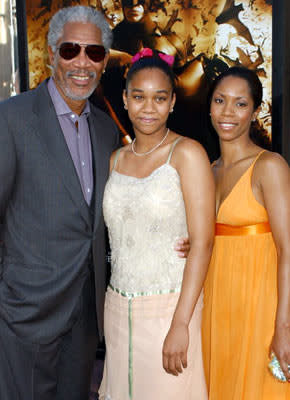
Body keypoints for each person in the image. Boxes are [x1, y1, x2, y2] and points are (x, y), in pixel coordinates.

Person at [0, 6, 120, 400]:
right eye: (71, 50)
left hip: (86, 315)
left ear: (104, 61)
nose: (82, 63)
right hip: (26, 311)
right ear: (52, 53)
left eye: (94, 52)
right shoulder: (12, 119)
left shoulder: (105, 129)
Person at [98, 48, 215, 400]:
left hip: (170, 311)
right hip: (118, 310)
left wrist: (180, 323)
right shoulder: (115, 159)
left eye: (159, 98)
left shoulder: (188, 153)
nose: (148, 108)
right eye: (139, 97)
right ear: (125, 99)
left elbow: (204, 242)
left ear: (172, 102)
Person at [202, 67, 290, 399]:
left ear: (254, 112)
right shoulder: (207, 171)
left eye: (240, 104)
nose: (227, 112)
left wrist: (283, 328)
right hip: (216, 309)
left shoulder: (270, 166)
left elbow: (288, 251)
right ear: (209, 106)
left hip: (261, 309)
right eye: (220, 100)